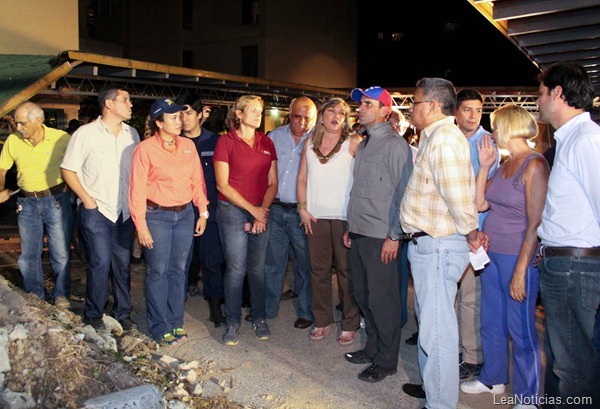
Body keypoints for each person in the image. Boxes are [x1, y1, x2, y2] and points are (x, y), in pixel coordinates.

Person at [400, 78, 484, 409]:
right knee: (433, 329)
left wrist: (473, 234)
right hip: (430, 245)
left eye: (415, 102)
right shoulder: (436, 138)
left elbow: (460, 199)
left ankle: (440, 405)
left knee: (438, 336)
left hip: (437, 246)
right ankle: (434, 393)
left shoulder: (444, 140)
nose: (410, 109)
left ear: (432, 106)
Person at [460, 105, 548, 405]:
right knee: (492, 321)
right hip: (491, 254)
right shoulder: (504, 164)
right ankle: (493, 379)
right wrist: (484, 166)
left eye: (496, 126)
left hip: (516, 258)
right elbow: (481, 204)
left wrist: (522, 270)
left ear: (509, 127)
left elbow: (534, 223)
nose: (492, 132)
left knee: (521, 329)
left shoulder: (534, 165)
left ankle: (529, 396)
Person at [536, 62, 600, 408]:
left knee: (573, 366)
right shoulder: (573, 139)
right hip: (566, 265)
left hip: (575, 268)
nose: (538, 101)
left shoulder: (587, 140)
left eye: (541, 93)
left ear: (558, 93)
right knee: (566, 362)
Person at [342, 86, 413, 382]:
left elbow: (404, 194)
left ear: (385, 111)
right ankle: (372, 348)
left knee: (383, 301)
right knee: (363, 294)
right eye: (361, 104)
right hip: (360, 232)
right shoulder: (367, 143)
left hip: (381, 236)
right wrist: (350, 226)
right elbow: (360, 191)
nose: (361, 108)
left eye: (368, 104)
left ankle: (386, 360)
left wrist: (395, 236)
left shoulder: (396, 146)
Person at [129, 98, 209, 346]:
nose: (180, 121)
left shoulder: (187, 146)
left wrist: (203, 212)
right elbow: (137, 189)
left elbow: (197, 180)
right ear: (159, 122)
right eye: (174, 118)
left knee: (179, 271)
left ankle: (176, 322)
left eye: (181, 116)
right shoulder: (145, 149)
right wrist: (141, 225)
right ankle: (159, 324)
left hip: (185, 215)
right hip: (157, 217)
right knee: (158, 271)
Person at [61, 86, 140, 331]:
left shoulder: (132, 134)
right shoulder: (85, 134)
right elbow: (68, 169)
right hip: (97, 210)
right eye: (125, 100)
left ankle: (122, 313)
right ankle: (94, 314)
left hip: (123, 211)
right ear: (109, 104)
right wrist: (87, 199)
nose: (130, 104)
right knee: (100, 263)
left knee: (122, 264)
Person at [297, 97, 361, 345]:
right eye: (332, 111)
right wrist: (302, 209)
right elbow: (302, 178)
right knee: (318, 272)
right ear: (322, 115)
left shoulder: (353, 142)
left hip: (344, 218)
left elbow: (363, 181)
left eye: (342, 113)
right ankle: (322, 320)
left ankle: (350, 322)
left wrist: (357, 217)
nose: (336, 116)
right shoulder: (310, 143)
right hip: (315, 217)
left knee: (347, 273)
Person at [214, 95, 278, 346]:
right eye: (252, 110)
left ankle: (259, 317)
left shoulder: (266, 142)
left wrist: (262, 210)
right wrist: (253, 210)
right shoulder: (225, 141)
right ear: (238, 114)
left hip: (261, 210)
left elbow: (273, 183)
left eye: (259, 111)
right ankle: (232, 322)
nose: (257, 114)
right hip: (233, 209)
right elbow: (222, 184)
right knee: (236, 269)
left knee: (257, 269)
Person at [0, 101, 72, 308]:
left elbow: (77, 163)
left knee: (60, 252)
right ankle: (35, 295)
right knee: (29, 254)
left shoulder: (61, 138)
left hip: (56, 200)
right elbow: (2, 169)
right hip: (27, 203)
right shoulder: (13, 141)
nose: (18, 127)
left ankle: (61, 294)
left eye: (22, 123)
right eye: (16, 122)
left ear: (38, 121)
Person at [454, 88, 500, 381]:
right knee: (454, 296)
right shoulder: (452, 138)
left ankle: (472, 357)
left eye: (477, 110)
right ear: (456, 112)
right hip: (451, 229)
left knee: (470, 298)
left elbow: (475, 193)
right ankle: (457, 348)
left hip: (475, 231)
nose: (472, 116)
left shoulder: (486, 144)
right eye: (467, 110)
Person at [264, 96, 316, 329]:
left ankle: (306, 311)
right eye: (298, 116)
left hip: (302, 213)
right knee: (273, 263)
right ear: (289, 113)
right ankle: (267, 309)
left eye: (308, 118)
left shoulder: (318, 140)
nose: (303, 122)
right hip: (275, 210)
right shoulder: (274, 137)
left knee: (304, 265)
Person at [178, 93, 227, 328]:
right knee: (180, 261)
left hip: (210, 211)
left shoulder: (216, 142)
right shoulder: (171, 141)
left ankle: (215, 305)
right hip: (180, 211)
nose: (184, 118)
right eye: (180, 114)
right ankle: (175, 305)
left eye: (188, 113)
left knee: (211, 259)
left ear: (200, 115)